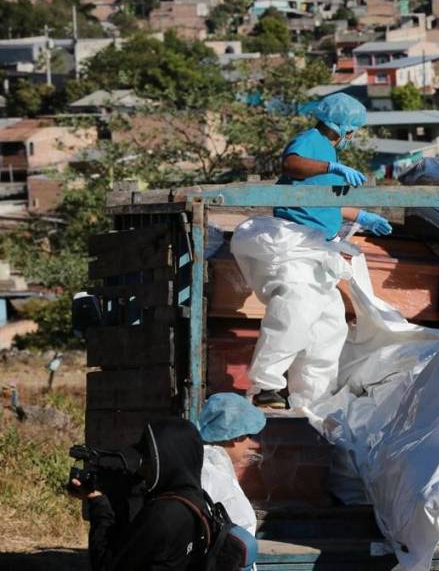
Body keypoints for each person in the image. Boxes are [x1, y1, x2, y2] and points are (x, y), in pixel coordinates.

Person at [230, 93, 392, 411]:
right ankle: (266, 386)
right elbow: (290, 165)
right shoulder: (310, 141)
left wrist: (361, 216)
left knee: (329, 325)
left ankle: (313, 399)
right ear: (339, 125)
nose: (352, 135)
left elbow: (322, 201)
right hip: (293, 245)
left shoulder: (327, 151)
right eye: (352, 129)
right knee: (295, 310)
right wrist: (332, 166)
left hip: (317, 249)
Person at [68, 418, 207, 570]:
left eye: (148, 460)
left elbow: (106, 564)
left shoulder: (163, 514)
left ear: (167, 461)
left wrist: (98, 504)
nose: (143, 468)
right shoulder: (197, 502)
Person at [198, 393, 266, 536]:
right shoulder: (210, 475)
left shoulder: (216, 468)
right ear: (236, 436)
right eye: (250, 436)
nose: (252, 443)